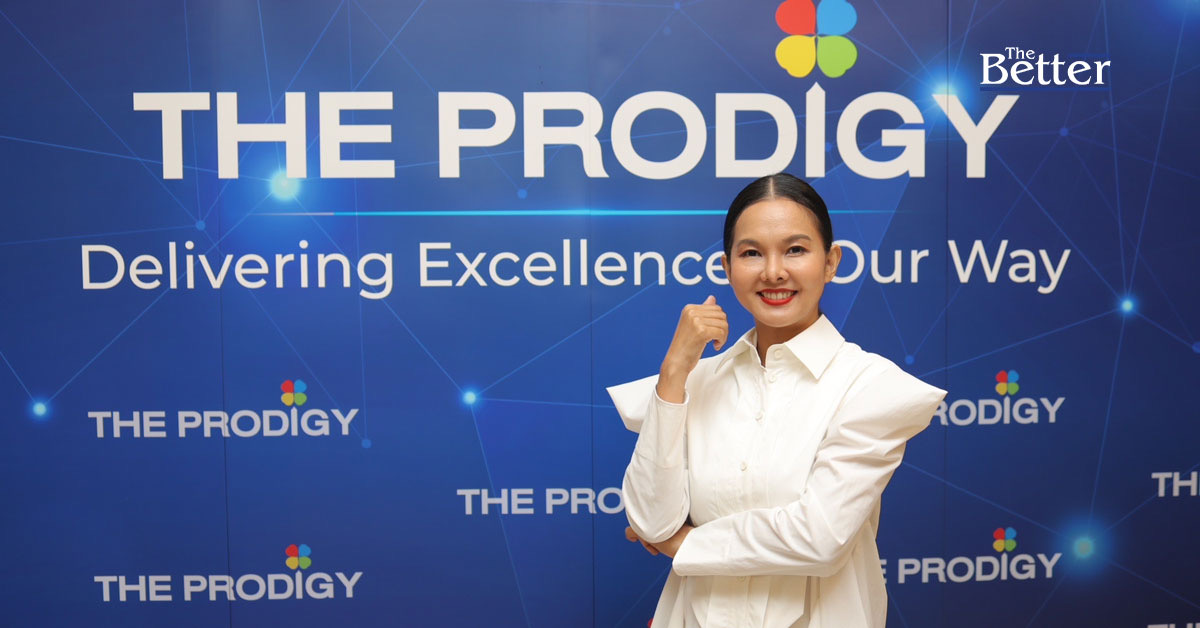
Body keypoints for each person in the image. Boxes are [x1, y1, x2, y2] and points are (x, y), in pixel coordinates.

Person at [607, 173, 946, 628]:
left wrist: (685, 544)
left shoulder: (868, 387)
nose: (772, 272)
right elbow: (651, 521)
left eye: (795, 250)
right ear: (727, 268)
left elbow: (820, 538)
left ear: (831, 262)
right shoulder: (696, 382)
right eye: (751, 253)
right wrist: (673, 374)